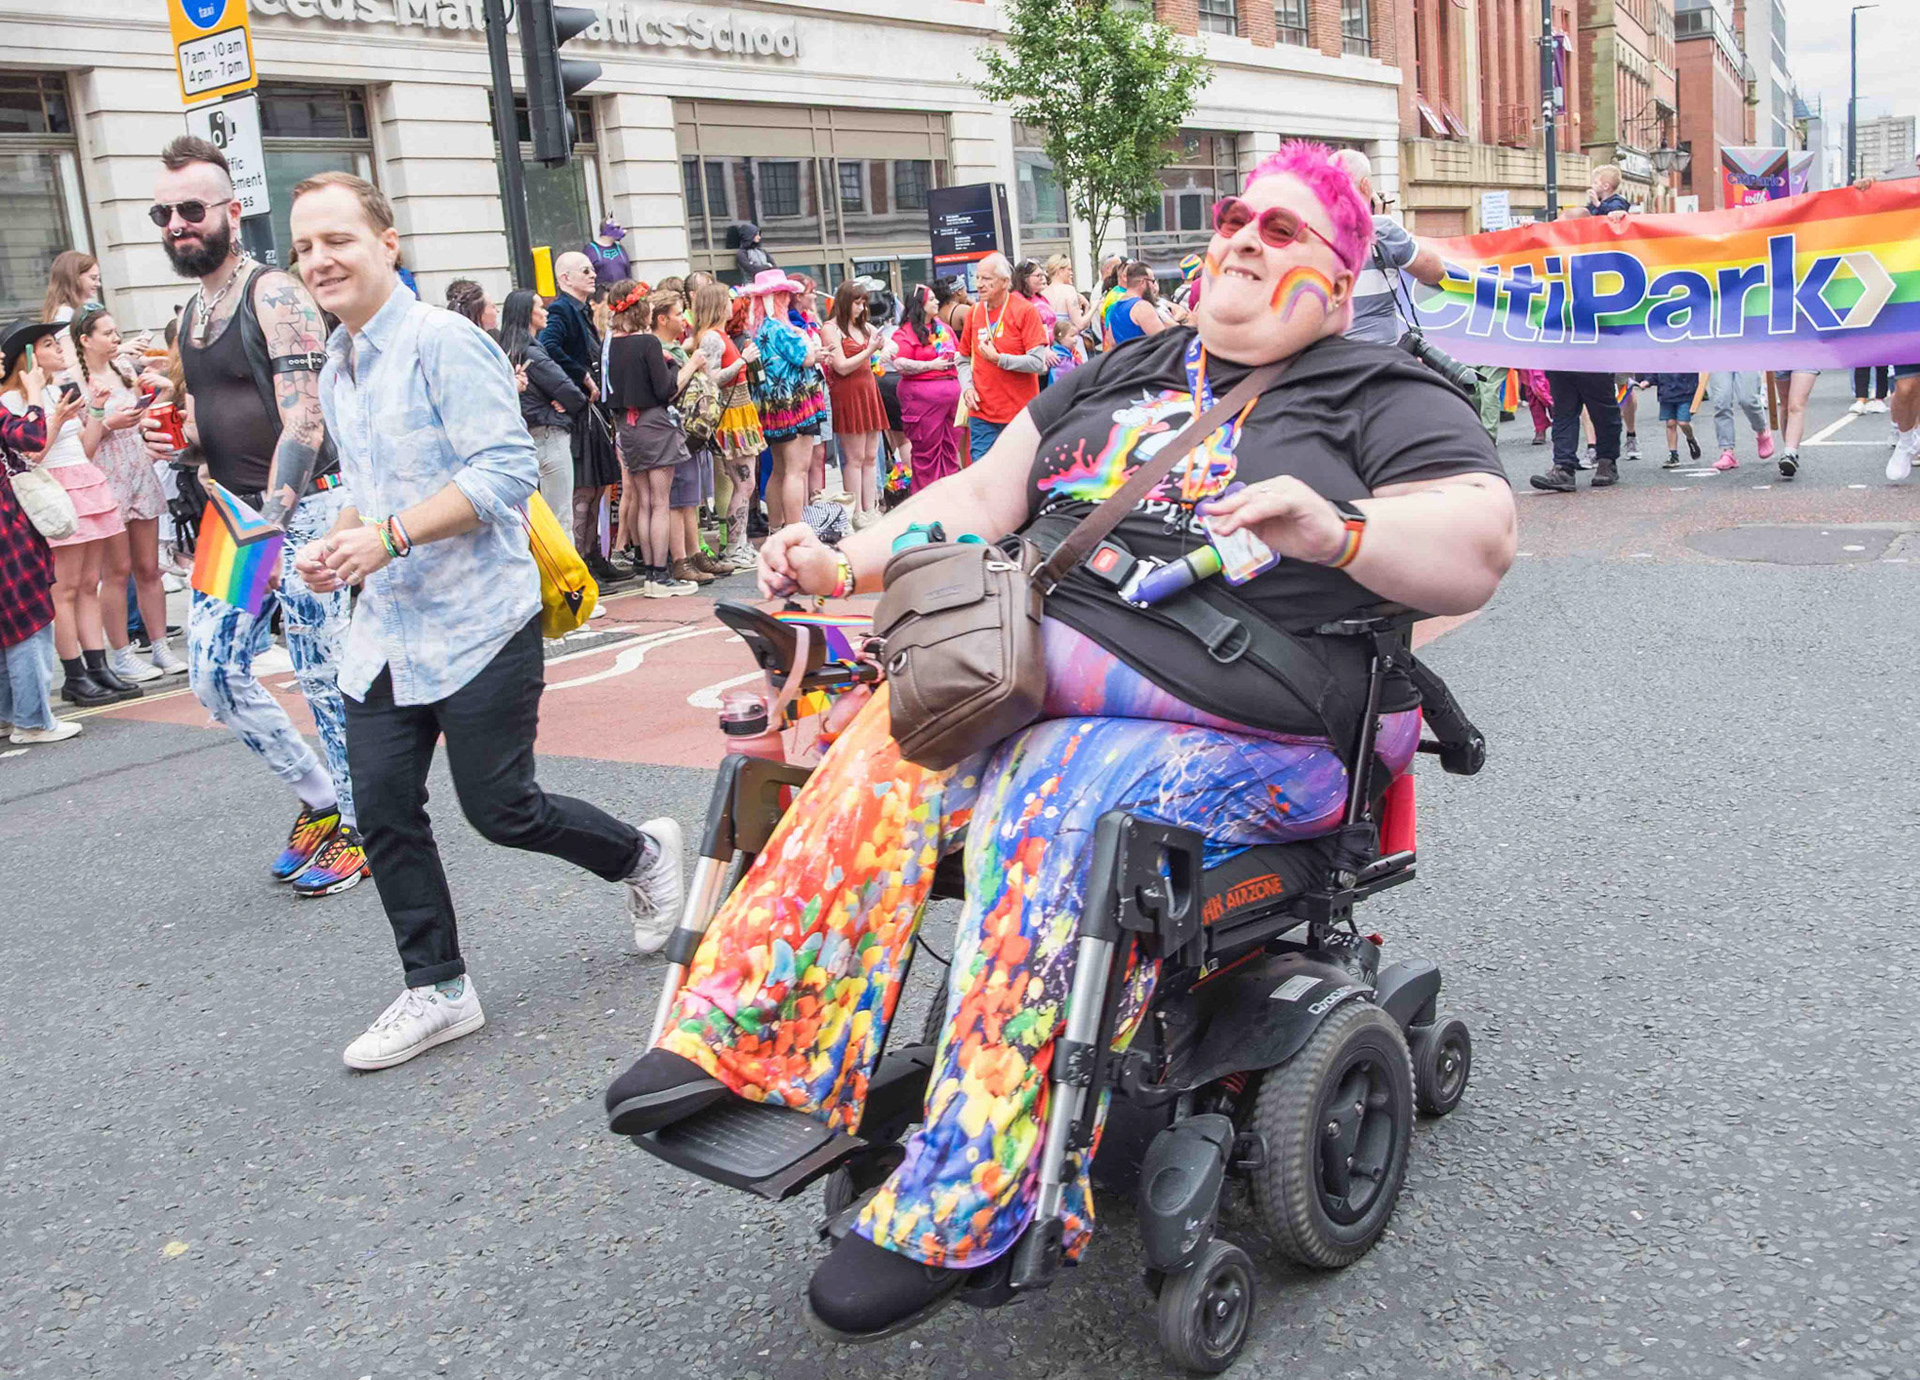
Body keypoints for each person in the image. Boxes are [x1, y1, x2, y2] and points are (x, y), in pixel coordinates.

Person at [602, 139, 1516, 1338]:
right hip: (1054, 670)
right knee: (896, 730)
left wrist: (1336, 530)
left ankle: (976, 1191)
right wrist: (843, 559)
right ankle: (752, 1041)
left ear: (1338, 283)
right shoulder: (1125, 367)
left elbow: (1480, 539)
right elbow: (983, 500)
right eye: (1239, 214)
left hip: (1259, 723)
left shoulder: (1380, 389)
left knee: (1057, 780)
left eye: (1283, 230)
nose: (1243, 234)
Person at [284, 171, 687, 1068]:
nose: (320, 259)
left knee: (501, 809)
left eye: (338, 239)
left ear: (387, 242)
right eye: (305, 245)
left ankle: (639, 855)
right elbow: (370, 488)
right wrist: (338, 540)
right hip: (385, 630)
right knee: (382, 806)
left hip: (477, 621)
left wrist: (386, 535)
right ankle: (437, 987)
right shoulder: (340, 360)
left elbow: (505, 475)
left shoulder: (442, 342)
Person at [140, 134, 365, 898]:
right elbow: (214, 416)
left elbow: (304, 421)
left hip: (303, 509)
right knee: (212, 675)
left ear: (232, 212)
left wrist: (278, 515)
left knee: (323, 675)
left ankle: (364, 827)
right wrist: (171, 437)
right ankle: (321, 800)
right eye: (164, 212)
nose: (177, 224)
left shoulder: (275, 292)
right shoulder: (191, 312)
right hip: (233, 516)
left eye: (192, 209)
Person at [6, 321, 139, 707]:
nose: (59, 349)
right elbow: (30, 455)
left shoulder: (53, 390)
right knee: (63, 589)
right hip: (54, 490)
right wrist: (56, 418)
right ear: (27, 358)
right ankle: (75, 674)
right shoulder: (15, 401)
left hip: (84, 481)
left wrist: (95, 408)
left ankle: (98, 668)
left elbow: (86, 447)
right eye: (49, 344)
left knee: (86, 585)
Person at [70, 307, 181, 683]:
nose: (116, 338)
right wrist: (108, 423)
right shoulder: (75, 384)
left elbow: (142, 419)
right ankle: (121, 653)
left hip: (138, 469)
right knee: (115, 572)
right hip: (104, 479)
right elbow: (81, 448)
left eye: (117, 331)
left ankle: (161, 645)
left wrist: (153, 402)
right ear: (85, 340)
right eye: (107, 333)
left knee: (150, 568)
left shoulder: (126, 371)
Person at [0, 321, 88, 742]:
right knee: (29, 617)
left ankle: (8, 716)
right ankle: (33, 722)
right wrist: (35, 394)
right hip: (7, 529)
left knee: (7, 621)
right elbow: (30, 439)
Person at [606, 284, 703, 595]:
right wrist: (691, 365)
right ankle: (659, 576)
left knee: (644, 501)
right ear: (640, 310)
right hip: (655, 424)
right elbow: (667, 390)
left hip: (627, 429)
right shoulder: (647, 343)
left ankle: (651, 572)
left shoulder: (607, 345)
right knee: (660, 503)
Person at [1331, 150, 1447, 347]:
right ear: (1365, 185)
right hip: (1380, 361)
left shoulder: (1312, 233)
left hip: (1329, 361)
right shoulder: (1383, 231)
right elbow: (1435, 272)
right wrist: (1384, 221)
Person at [742, 268, 826, 529]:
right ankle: (795, 529)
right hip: (795, 403)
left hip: (772, 405)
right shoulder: (779, 328)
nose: (789, 299)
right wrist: (815, 349)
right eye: (785, 295)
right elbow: (806, 358)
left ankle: (776, 528)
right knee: (796, 470)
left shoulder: (759, 329)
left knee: (779, 469)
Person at [497, 287, 585, 524]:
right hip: (547, 436)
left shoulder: (502, 351)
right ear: (527, 314)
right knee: (559, 519)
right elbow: (572, 393)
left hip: (520, 439)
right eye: (539, 307)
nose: (545, 311)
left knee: (531, 520)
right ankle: (560, 563)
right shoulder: (532, 354)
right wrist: (562, 406)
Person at [691, 284, 763, 569]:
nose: (732, 305)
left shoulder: (721, 336)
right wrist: (742, 362)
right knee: (744, 483)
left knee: (746, 483)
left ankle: (739, 543)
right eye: (727, 300)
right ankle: (734, 547)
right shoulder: (712, 337)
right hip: (730, 416)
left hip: (741, 412)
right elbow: (711, 378)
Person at [958, 253, 1048, 461]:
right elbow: (962, 358)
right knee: (982, 474)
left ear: (1005, 282)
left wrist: (1000, 359)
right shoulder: (973, 313)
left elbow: (1037, 362)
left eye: (987, 279)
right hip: (982, 413)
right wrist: (967, 387)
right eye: (978, 278)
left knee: (1018, 473)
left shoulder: (1025, 311)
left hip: (1019, 413)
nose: (979, 284)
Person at [820, 280, 889, 527]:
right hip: (848, 393)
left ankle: (870, 508)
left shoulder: (864, 327)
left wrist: (884, 347)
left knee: (871, 455)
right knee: (855, 457)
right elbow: (841, 366)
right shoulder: (831, 328)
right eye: (856, 302)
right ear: (844, 302)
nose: (861, 308)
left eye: (864, 303)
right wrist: (870, 350)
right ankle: (856, 511)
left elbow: (886, 344)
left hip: (868, 390)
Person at [889, 283, 966, 492]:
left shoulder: (944, 329)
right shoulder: (904, 333)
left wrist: (960, 357)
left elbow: (959, 353)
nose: (936, 302)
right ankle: (925, 497)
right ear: (919, 305)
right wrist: (930, 365)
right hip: (922, 401)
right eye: (931, 299)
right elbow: (899, 362)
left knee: (950, 449)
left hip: (951, 397)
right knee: (926, 452)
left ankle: (949, 496)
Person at [1703, 370, 1774, 471]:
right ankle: (1727, 451)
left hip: (1747, 355)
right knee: (1721, 401)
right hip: (1718, 356)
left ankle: (1761, 430)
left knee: (1747, 400)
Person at [1634, 372, 1702, 468]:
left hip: (1686, 392)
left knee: (1683, 422)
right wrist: (1647, 380)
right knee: (1670, 423)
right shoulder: (1661, 359)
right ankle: (1673, 454)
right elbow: (1654, 370)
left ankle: (1690, 438)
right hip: (1666, 392)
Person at [1101, 261, 1166, 352]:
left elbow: (1111, 340)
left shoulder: (1114, 307)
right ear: (1143, 282)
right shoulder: (1142, 307)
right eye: (1152, 281)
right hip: (1143, 362)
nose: (1153, 286)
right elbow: (1164, 340)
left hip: (1123, 362)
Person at [1766, 369, 1818, 481]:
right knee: (1785, 405)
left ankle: (1790, 453)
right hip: (1782, 356)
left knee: (1796, 405)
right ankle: (1788, 451)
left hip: (1807, 355)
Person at [44, 251, 102, 324]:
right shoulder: (65, 313)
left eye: (98, 279)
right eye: (93, 278)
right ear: (74, 278)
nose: (98, 284)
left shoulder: (75, 311)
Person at [1040, 254, 1089, 338]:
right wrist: (1090, 306)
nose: (1071, 273)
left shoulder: (1042, 294)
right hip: (1069, 343)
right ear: (1060, 270)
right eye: (1069, 269)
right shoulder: (1069, 290)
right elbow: (1080, 324)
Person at [585, 218, 631, 289]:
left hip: (622, 294)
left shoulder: (620, 248)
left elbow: (628, 273)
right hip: (602, 296)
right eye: (617, 228)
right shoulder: (590, 250)